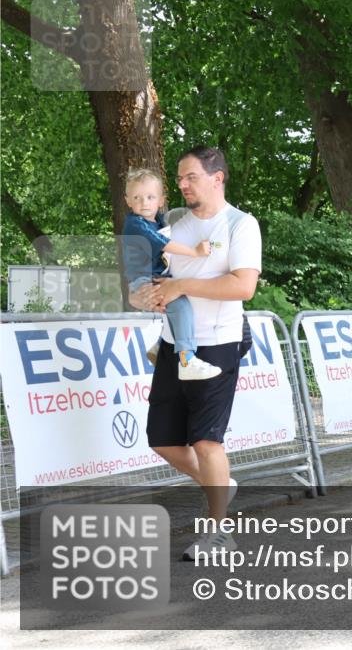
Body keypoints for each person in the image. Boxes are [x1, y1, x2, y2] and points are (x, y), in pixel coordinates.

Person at [131, 146, 260, 559]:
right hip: (173, 344)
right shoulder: (170, 222)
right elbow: (146, 279)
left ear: (217, 178)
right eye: (180, 177)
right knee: (162, 441)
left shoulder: (241, 224)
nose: (182, 184)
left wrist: (181, 287)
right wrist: (142, 297)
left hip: (218, 344)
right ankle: (219, 484)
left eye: (191, 177)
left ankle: (220, 533)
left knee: (206, 442)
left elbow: (243, 287)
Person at [121, 168, 220, 381]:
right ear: (127, 200)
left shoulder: (159, 220)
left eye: (150, 197)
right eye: (137, 198)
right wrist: (195, 252)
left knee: (179, 303)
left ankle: (160, 345)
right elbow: (163, 244)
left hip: (158, 275)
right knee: (180, 304)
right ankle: (187, 360)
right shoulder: (135, 224)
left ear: (161, 200)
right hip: (145, 279)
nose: (144, 203)